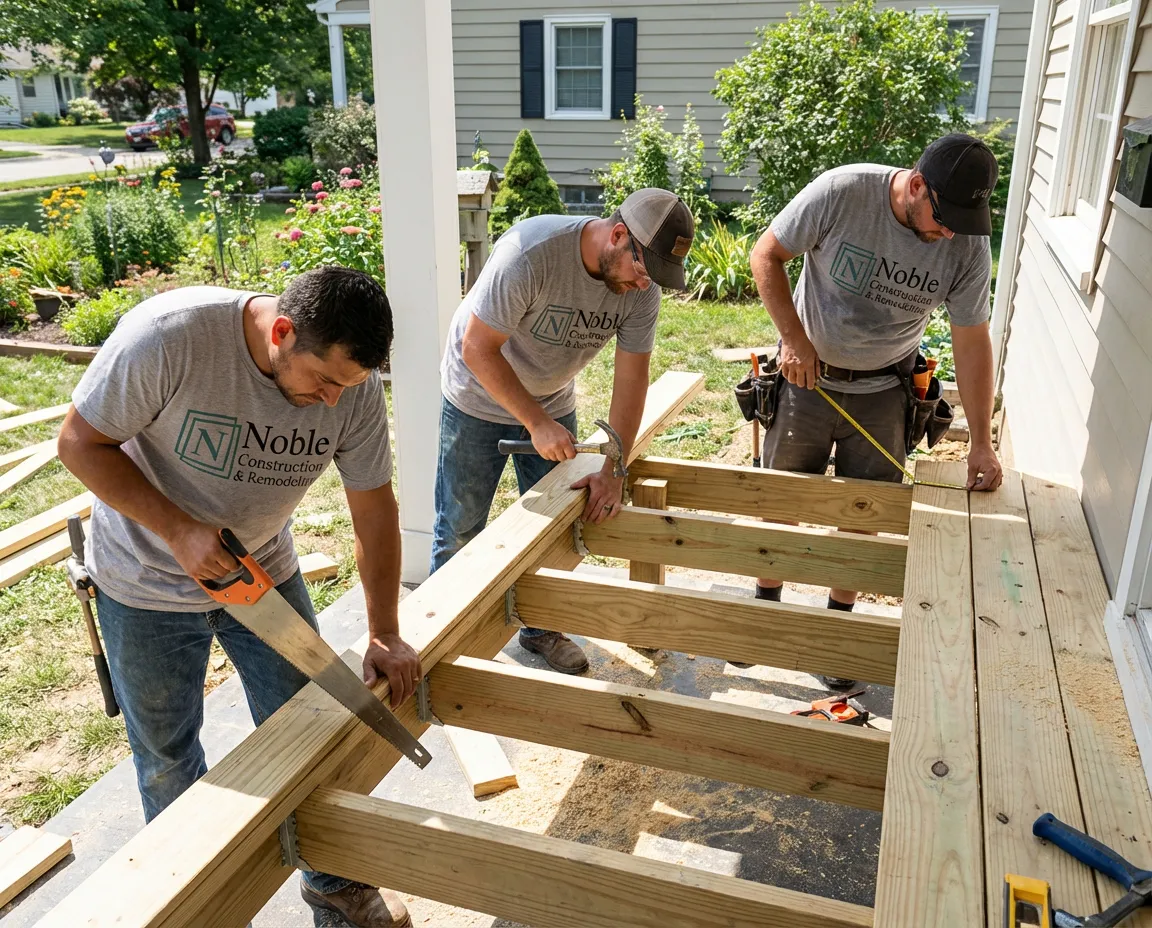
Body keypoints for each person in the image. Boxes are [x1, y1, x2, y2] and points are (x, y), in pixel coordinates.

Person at [58, 267, 418, 928]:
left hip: (262, 571)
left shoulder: (352, 389)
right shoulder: (169, 338)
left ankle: (335, 884)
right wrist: (176, 530)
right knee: (168, 757)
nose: (336, 402)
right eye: (325, 382)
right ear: (281, 332)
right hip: (145, 581)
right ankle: (200, 906)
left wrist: (385, 630)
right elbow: (79, 442)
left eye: (350, 387)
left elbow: (373, 509)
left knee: (308, 729)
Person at [748, 134, 1004, 686]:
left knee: (864, 515)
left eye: (964, 221)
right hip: (806, 380)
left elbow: (973, 340)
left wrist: (980, 440)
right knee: (783, 499)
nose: (950, 233)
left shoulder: (965, 244)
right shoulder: (842, 192)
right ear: (916, 186)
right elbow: (766, 255)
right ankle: (764, 610)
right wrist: (793, 339)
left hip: (887, 388)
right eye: (942, 219)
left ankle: (837, 632)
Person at [431, 188, 696, 674]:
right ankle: (447, 645)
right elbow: (477, 349)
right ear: (619, 236)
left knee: (554, 525)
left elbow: (632, 378)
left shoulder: (642, 290)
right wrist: (535, 422)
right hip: (476, 394)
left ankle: (541, 628)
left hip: (552, 399)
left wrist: (615, 465)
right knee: (461, 527)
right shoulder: (530, 255)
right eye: (641, 270)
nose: (644, 285)